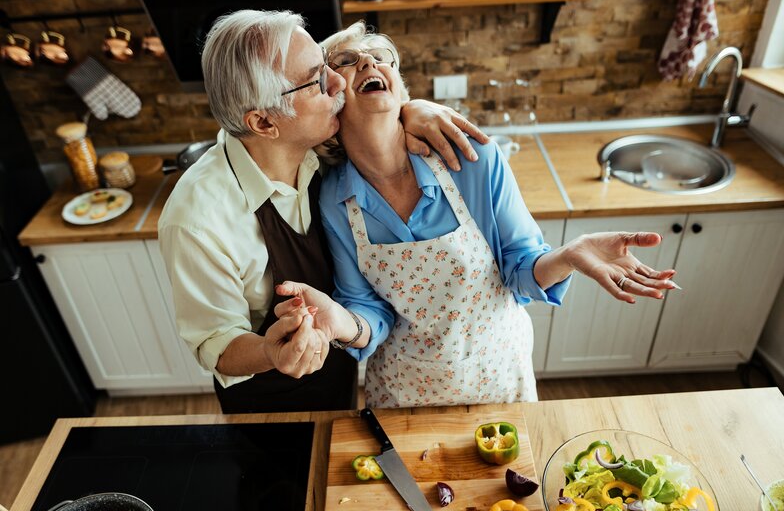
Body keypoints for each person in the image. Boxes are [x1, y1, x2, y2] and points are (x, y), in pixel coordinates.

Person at [273, 22, 679, 408]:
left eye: (380, 56)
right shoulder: (334, 199)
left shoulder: (471, 159)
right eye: (346, 60)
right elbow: (368, 309)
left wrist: (570, 254)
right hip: (403, 391)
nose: (369, 63)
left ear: (402, 93)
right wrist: (339, 323)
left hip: (498, 378)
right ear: (330, 100)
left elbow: (519, 269)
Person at [157, 10, 489, 414]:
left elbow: (374, 108)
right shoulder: (197, 220)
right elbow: (216, 344)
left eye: (326, 65)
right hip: (269, 404)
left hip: (342, 372)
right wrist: (271, 350)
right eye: (317, 80)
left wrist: (411, 108)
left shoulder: (321, 145)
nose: (337, 84)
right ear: (263, 122)